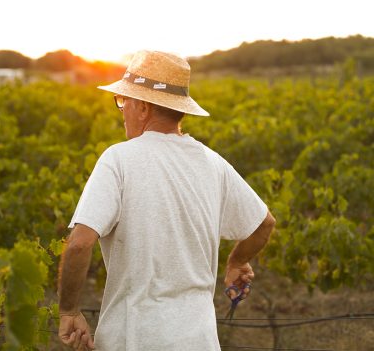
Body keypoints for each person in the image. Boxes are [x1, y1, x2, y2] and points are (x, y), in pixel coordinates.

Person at [58, 50, 276, 351]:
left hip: (135, 339)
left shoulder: (118, 160)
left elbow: (80, 243)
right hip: (200, 341)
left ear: (144, 107)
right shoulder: (212, 164)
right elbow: (264, 223)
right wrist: (237, 261)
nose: (122, 110)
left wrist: (68, 311)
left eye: (125, 101)